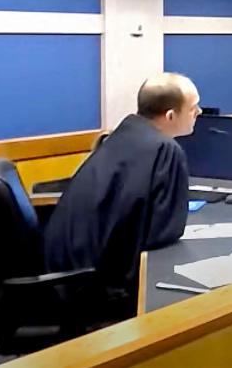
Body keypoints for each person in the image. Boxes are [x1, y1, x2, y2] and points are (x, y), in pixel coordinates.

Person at [44, 73, 200, 318]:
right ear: (170, 115)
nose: (199, 112)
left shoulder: (124, 132)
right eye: (193, 108)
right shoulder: (165, 150)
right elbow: (163, 233)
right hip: (95, 282)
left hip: (65, 260)